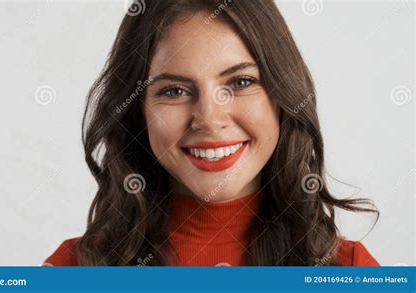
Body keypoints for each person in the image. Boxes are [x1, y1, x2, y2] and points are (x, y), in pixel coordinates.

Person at [44, 0, 379, 266]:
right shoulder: (72, 270)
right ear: (138, 111)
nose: (209, 118)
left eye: (241, 82)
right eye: (174, 91)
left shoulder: (349, 270)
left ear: (282, 98)